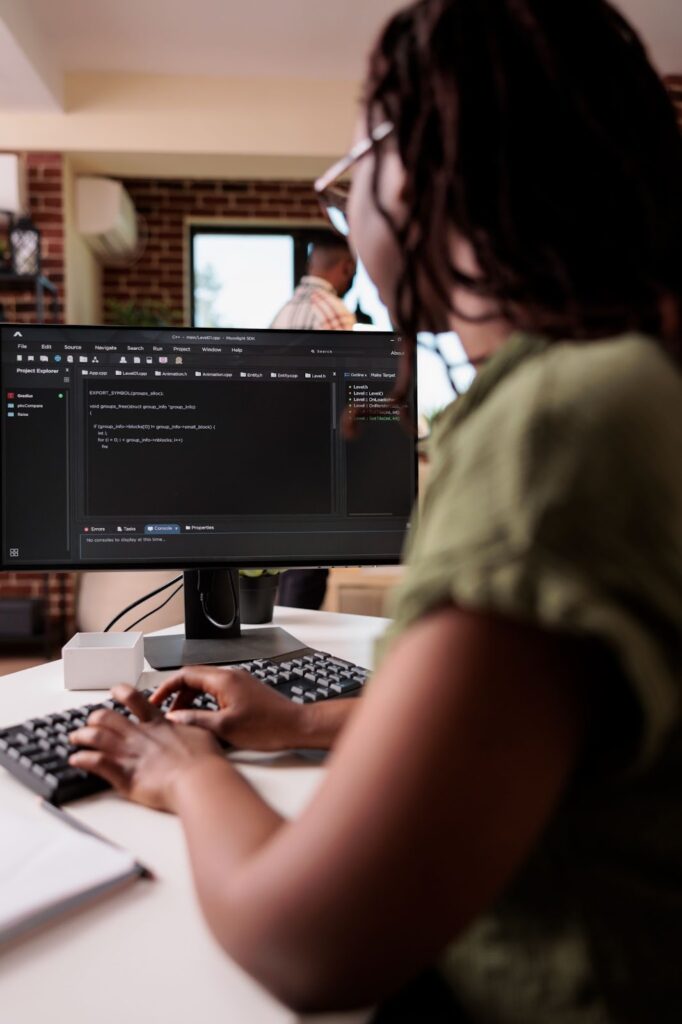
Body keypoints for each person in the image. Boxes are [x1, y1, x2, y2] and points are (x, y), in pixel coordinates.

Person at [68, 2, 682, 1020]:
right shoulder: (637, 377)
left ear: (436, 158)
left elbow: (305, 941)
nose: (348, 205)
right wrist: (305, 719)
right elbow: (536, 728)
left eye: (356, 164)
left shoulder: (558, 423)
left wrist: (174, 769)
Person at [272, 233, 358, 610]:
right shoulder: (335, 311)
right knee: (312, 560)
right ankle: (302, 652)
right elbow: (342, 390)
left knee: (288, 559)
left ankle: (280, 640)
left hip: (281, 449)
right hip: (314, 451)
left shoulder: (283, 312)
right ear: (346, 268)